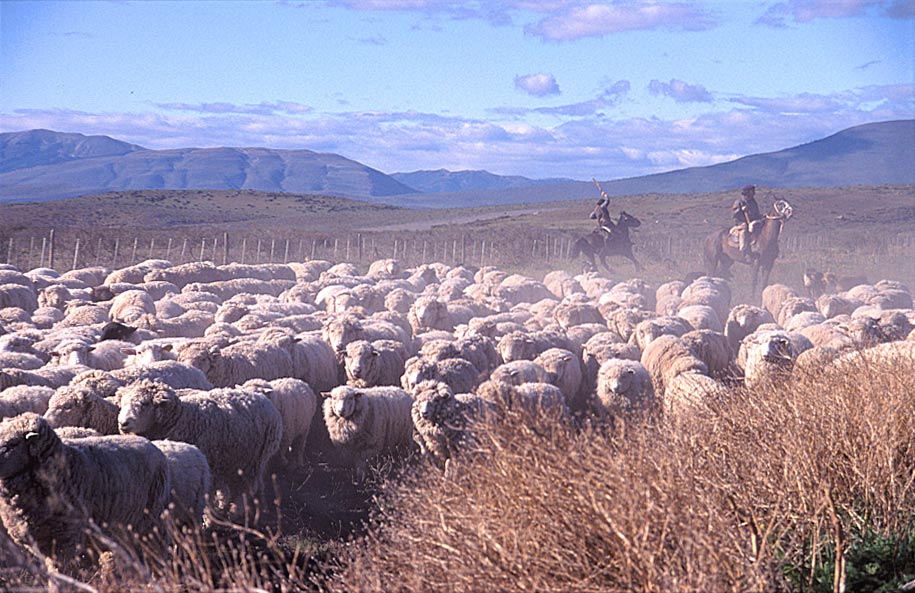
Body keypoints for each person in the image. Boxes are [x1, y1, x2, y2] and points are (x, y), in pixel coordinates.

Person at [730, 184, 762, 256]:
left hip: (752, 221)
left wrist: (761, 216)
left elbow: (756, 213)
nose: (754, 192)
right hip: (741, 223)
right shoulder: (739, 202)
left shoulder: (753, 201)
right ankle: (743, 249)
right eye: (752, 191)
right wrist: (740, 210)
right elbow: (734, 214)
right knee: (744, 230)